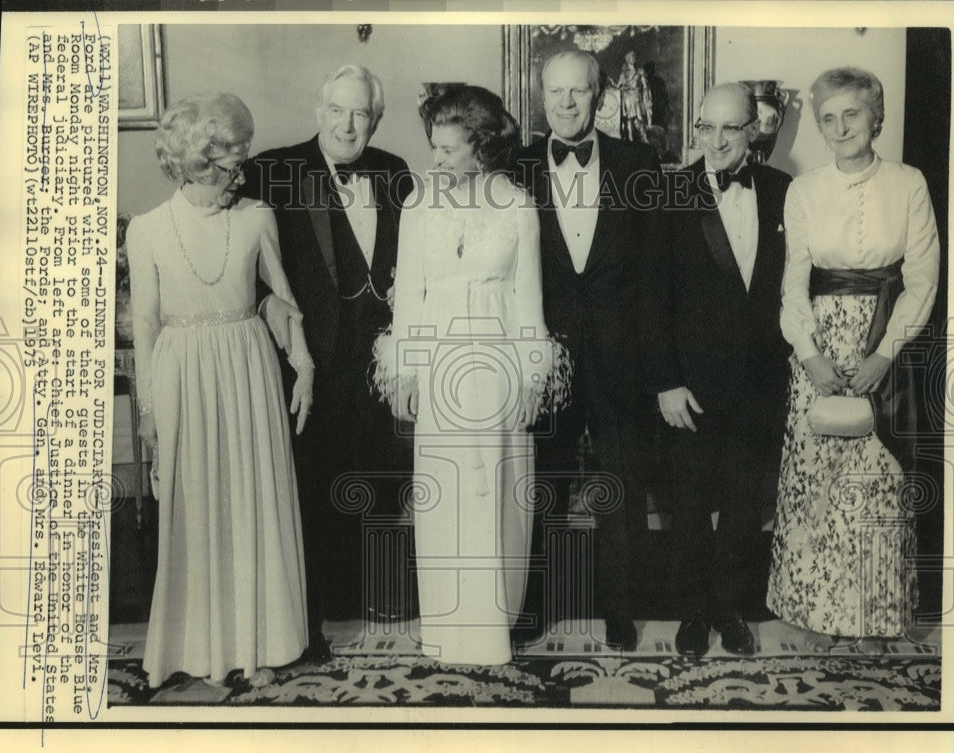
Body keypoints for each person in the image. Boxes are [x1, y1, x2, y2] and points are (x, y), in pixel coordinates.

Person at [372, 85, 568, 666]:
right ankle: (447, 629)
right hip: (437, 367)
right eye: (434, 147)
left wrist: (536, 378)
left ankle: (492, 629)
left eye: (450, 150)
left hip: (500, 363)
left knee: (497, 494)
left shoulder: (517, 207)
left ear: (482, 148)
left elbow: (528, 300)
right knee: (445, 497)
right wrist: (404, 371)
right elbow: (408, 296)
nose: (437, 161)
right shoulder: (418, 204)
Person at [127, 92, 315, 689]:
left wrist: (303, 363)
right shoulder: (149, 230)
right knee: (197, 509)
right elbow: (148, 326)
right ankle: (200, 648)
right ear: (196, 164)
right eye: (232, 163)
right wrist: (151, 413)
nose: (242, 174)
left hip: (249, 366)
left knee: (250, 503)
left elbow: (281, 302)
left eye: (243, 161)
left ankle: (257, 646)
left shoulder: (258, 217)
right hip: (183, 371)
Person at [242, 66, 416, 637]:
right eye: (337, 111)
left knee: (385, 474)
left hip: (380, 356)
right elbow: (250, 270)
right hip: (311, 357)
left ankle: (379, 596)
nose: (347, 124)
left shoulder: (394, 172)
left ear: (375, 119)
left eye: (360, 113)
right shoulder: (274, 169)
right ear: (319, 112)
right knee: (315, 483)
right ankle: (319, 608)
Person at [766, 67, 940, 638]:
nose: (841, 127)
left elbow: (921, 280)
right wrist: (809, 353)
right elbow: (793, 283)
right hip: (818, 341)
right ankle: (814, 611)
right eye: (829, 118)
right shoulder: (804, 190)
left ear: (876, 117)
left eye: (853, 114)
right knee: (818, 474)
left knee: (877, 476)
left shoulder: (909, 182)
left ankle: (874, 612)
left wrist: (885, 355)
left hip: (886, 339)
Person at [515, 49, 666, 651]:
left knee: (619, 488)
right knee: (539, 486)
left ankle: (621, 610)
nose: (567, 103)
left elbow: (654, 276)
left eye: (578, 92)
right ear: (542, 97)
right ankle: (531, 605)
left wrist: (656, 368)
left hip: (619, 357)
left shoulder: (637, 162)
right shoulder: (517, 166)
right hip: (542, 360)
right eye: (556, 93)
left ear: (599, 96)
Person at [646, 83, 792, 657]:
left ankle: (728, 609)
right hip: (689, 386)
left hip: (758, 383)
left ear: (753, 131)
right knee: (686, 506)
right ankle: (691, 611)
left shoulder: (782, 190)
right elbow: (649, 298)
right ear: (697, 130)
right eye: (708, 128)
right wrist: (665, 381)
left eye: (732, 128)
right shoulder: (667, 192)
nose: (718, 140)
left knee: (739, 507)